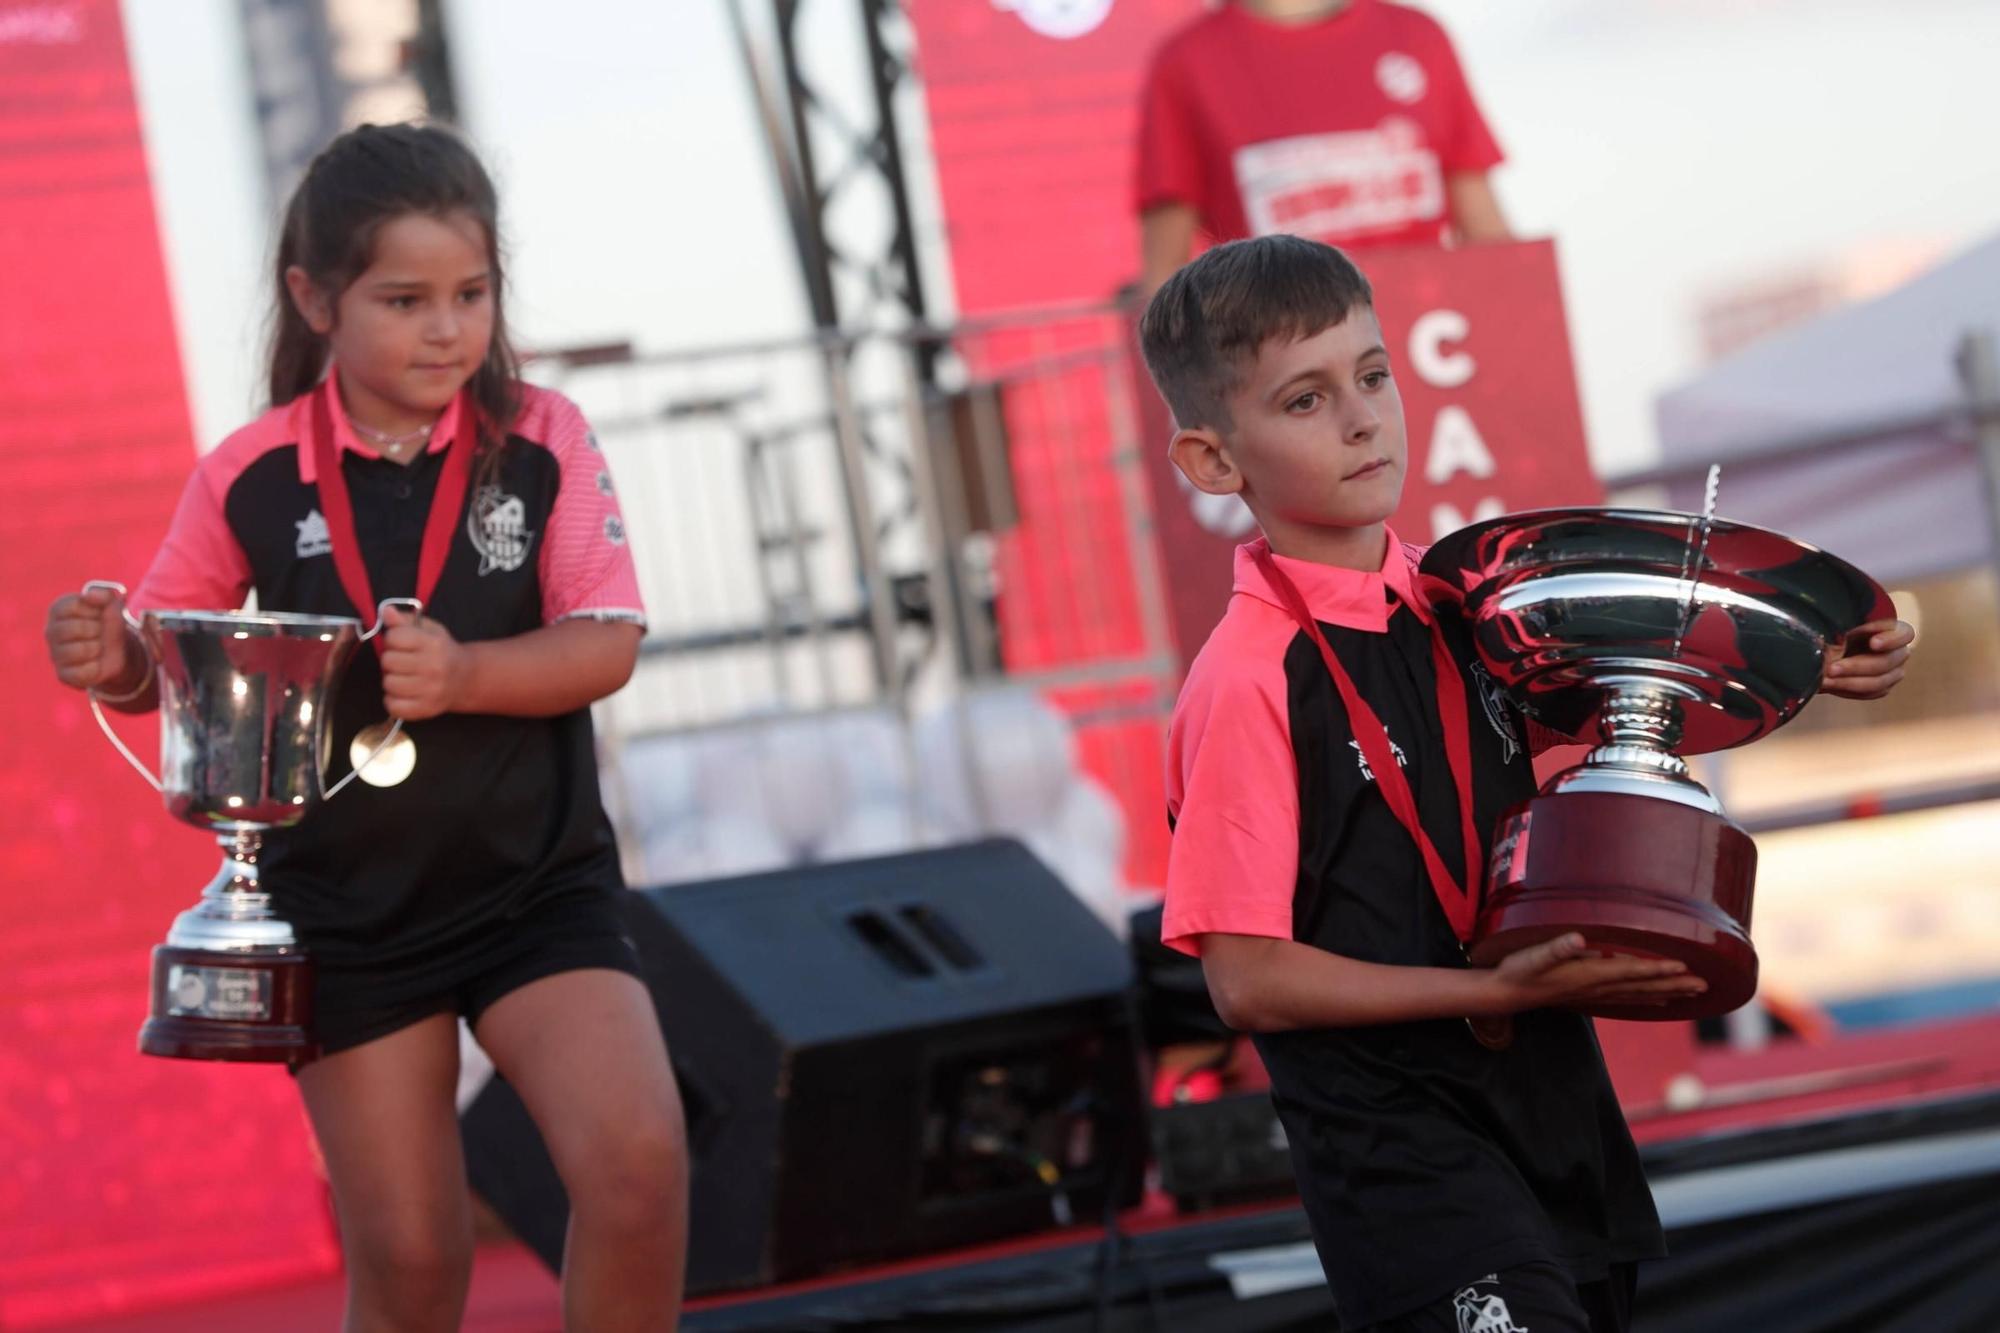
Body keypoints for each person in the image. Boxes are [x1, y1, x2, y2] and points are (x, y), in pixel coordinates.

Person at [1137, 234, 1914, 1332]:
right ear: (1214, 463)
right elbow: (1247, 981)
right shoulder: (1247, 675)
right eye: (1303, 401)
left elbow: (1643, 693)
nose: (1361, 417)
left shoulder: (1469, 603)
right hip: (1404, 1159)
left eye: (1370, 375)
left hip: (1555, 1120)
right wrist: (1493, 992)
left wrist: (1815, 659)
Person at [43, 123, 686, 1332]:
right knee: (408, 1256)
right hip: (345, 915)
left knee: (639, 1167)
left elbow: (606, 641)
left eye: (471, 294)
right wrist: (110, 654)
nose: (446, 329)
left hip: (535, 891)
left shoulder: (544, 436)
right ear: (313, 297)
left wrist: (466, 674)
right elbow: (159, 653)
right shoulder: (247, 471)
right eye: (404, 299)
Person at [1137, 0, 1512, 293]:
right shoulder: (1187, 63)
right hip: (1286, 353)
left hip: (1433, 338)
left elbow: (1485, 230)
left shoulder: (1419, 36)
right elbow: (1166, 277)